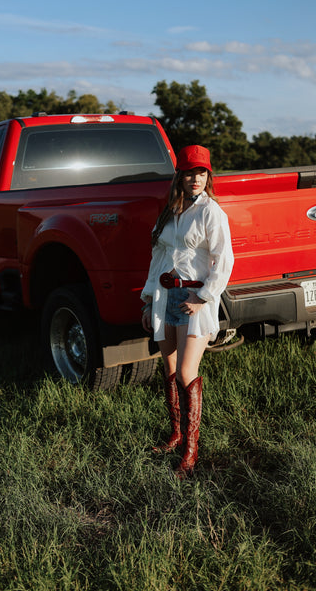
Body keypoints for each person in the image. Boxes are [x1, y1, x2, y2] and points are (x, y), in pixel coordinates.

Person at [141, 144, 234, 479]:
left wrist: (205, 297)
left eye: (202, 172)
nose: (195, 178)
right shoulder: (170, 211)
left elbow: (224, 261)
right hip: (164, 299)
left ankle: (190, 453)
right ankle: (176, 435)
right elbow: (157, 258)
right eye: (189, 172)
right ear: (179, 176)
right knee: (167, 369)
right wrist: (149, 298)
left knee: (185, 373)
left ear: (208, 176)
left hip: (193, 301)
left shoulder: (211, 212)